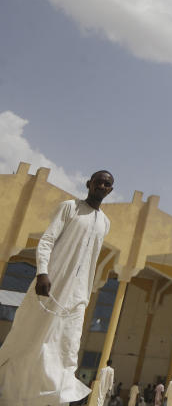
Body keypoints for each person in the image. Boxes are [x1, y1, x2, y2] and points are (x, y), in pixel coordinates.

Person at [0, 170, 114, 406]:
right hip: (50, 285)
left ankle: (56, 398)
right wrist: (42, 272)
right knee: (29, 337)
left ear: (110, 190)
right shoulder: (69, 208)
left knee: (67, 345)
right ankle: (11, 392)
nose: (102, 186)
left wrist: (85, 293)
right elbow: (48, 240)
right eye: (98, 181)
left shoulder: (105, 222)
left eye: (107, 184)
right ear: (89, 183)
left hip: (77, 296)